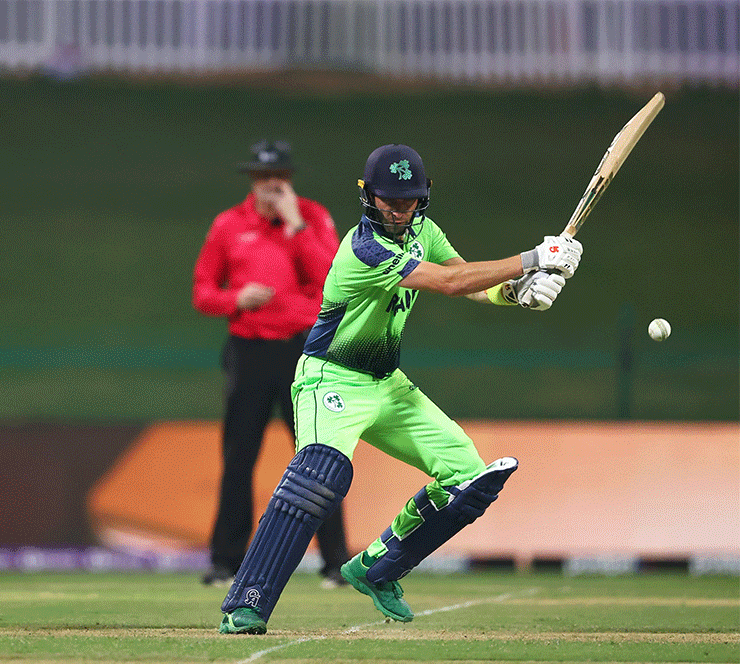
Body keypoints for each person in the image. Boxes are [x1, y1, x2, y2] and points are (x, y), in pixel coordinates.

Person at [217, 144, 580, 634]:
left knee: (467, 475)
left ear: (423, 197)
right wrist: (533, 258)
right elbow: (449, 286)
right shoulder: (363, 250)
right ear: (368, 196)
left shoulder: (424, 232)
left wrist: (515, 294)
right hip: (331, 378)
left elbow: (464, 277)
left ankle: (378, 568)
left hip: (387, 383)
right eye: (389, 199)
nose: (399, 208)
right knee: (319, 477)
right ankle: (249, 601)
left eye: (408, 199)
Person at [193, 139, 350, 590]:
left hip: (305, 351)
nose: (270, 187)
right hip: (249, 349)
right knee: (239, 458)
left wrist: (296, 224)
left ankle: (337, 563)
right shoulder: (228, 225)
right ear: (252, 182)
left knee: (318, 458)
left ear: (289, 181)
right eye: (263, 179)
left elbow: (332, 278)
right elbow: (203, 292)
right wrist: (234, 298)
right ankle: (225, 562)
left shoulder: (313, 218)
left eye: (278, 178)